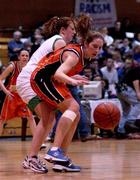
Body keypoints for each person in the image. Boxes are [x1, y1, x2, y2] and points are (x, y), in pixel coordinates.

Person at [29, 31, 104, 172]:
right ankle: (54, 150)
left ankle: (60, 159)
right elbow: (58, 74)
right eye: (94, 46)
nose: (97, 50)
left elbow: (60, 70)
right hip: (42, 78)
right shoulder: (75, 54)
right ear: (86, 44)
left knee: (76, 116)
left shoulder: (85, 56)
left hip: (52, 79)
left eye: (100, 47)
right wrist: (72, 80)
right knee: (74, 107)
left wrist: (74, 75)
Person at [16, 16, 76, 173]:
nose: (74, 33)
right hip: (29, 81)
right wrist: (71, 78)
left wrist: (70, 77)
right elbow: (57, 72)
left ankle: (34, 157)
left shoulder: (54, 41)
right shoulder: (60, 42)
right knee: (48, 117)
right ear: (63, 30)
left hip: (27, 81)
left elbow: (54, 71)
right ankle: (32, 158)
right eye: (72, 29)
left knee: (49, 117)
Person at [0, 49, 36, 135]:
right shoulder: (13, 66)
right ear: (19, 57)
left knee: (30, 117)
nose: (25, 57)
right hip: (11, 96)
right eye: (23, 55)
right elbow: (0, 79)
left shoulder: (30, 67)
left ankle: (39, 142)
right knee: (2, 119)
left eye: (27, 56)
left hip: (23, 96)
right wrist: (6, 92)